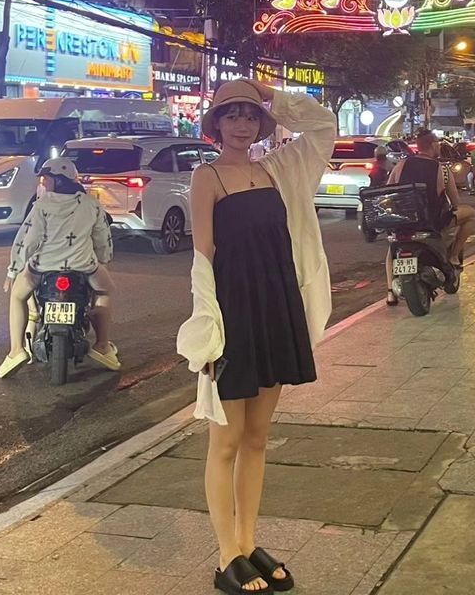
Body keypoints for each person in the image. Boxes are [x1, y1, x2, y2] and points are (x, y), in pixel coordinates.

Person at [177, 79, 336, 594]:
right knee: (225, 441)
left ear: (262, 122)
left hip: (276, 309)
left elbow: (323, 125)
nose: (242, 124)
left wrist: (270, 93)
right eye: (231, 115)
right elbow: (204, 256)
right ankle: (226, 554)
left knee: (258, 438)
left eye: (250, 114)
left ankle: (247, 543)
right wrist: (208, 328)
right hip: (234, 316)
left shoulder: (279, 168)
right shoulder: (207, 176)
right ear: (216, 125)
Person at [0, 158, 120, 379]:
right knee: (105, 291)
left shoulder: (41, 205)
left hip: (42, 267)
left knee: (17, 296)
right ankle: (102, 345)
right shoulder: (91, 204)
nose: (44, 183)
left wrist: (13, 271)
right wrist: (103, 260)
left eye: (47, 178)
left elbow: (28, 240)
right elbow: (103, 238)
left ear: (59, 180)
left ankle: (16, 350)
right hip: (83, 266)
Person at [384, 129, 475, 306]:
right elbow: (455, 202)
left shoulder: (400, 165)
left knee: (393, 247)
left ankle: (389, 292)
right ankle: (454, 256)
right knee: (470, 214)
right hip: (432, 223)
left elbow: (388, 192)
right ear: (433, 145)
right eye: (438, 144)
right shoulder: (441, 169)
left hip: (405, 221)